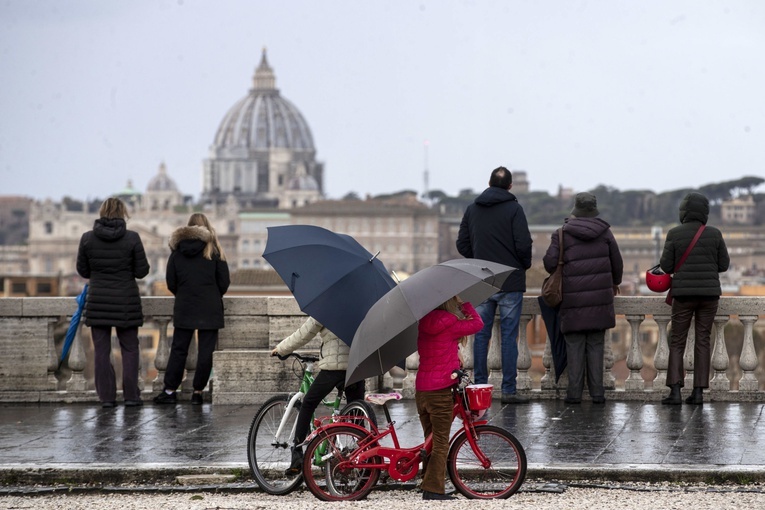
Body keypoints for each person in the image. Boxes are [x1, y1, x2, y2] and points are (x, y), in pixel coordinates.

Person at [456, 166, 533, 404]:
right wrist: (522, 265)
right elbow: (523, 245)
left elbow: (462, 243)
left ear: (489, 183)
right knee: (509, 338)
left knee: (481, 336)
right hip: (510, 281)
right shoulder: (515, 209)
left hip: (482, 281)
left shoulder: (472, 209)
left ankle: (479, 387)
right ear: (510, 186)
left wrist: (478, 259)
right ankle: (508, 390)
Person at [543, 192, 623, 404]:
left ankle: (574, 394)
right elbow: (618, 263)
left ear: (575, 209)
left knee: (574, 346)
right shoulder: (606, 233)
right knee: (596, 345)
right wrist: (614, 282)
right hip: (600, 302)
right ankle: (598, 394)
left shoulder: (561, 234)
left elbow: (549, 264)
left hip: (573, 303)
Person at [76, 197, 150, 408]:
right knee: (129, 349)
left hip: (98, 300)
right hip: (126, 301)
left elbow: (82, 271)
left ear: (101, 213)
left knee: (101, 351)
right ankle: (131, 396)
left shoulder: (87, 238)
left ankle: (107, 397)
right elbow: (142, 271)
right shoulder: (132, 238)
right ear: (123, 213)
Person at [270, 317, 365, 476]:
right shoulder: (362, 305)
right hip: (356, 367)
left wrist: (281, 349)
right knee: (358, 415)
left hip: (333, 368)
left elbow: (303, 333)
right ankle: (367, 459)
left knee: (308, 403)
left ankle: (298, 453)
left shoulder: (326, 306)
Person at [660, 192, 729, 405]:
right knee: (703, 340)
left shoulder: (674, 234)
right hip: (709, 295)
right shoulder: (715, 234)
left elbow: (666, 266)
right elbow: (723, 265)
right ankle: (698, 392)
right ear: (704, 213)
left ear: (684, 212)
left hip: (683, 295)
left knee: (677, 340)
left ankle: (675, 391)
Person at [154, 213, 230, 405]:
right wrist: (212, 294)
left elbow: (171, 282)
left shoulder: (177, 252)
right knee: (206, 352)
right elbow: (224, 282)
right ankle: (197, 392)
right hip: (210, 307)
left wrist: (185, 293)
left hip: (185, 306)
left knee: (179, 349)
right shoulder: (214, 251)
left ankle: (170, 391)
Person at [416, 295, 483, 501]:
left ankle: (427, 481)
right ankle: (434, 490)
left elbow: (438, 349)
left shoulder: (423, 322)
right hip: (440, 390)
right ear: (449, 303)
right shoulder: (451, 323)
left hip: (422, 390)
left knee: (430, 440)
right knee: (440, 441)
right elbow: (478, 324)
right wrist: (464, 304)